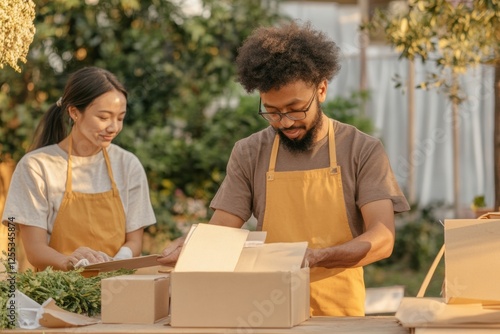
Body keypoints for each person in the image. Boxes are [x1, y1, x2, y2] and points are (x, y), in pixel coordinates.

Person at [159, 21, 410, 316]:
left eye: (295, 109)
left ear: (322, 90)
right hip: (269, 310)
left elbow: (382, 239)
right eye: (273, 112)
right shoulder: (250, 152)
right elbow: (222, 229)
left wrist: (319, 257)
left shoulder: (361, 149)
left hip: (339, 315)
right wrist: (192, 245)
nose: (285, 122)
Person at [2, 66, 156, 271]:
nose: (114, 128)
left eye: (120, 118)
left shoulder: (128, 166)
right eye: (103, 117)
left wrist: (116, 262)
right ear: (74, 112)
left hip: (117, 288)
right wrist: (70, 262)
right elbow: (35, 250)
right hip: (57, 295)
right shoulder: (37, 167)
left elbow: (135, 241)